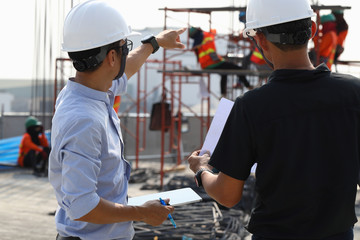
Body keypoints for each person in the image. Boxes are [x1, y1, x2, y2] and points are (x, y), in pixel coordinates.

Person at [187, 0, 360, 239]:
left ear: (259, 39)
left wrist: (201, 170)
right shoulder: (353, 93)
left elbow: (227, 194)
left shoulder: (251, 106)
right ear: (312, 27)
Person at [48, 1, 185, 239]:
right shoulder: (84, 119)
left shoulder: (88, 91)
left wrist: (154, 43)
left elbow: (127, 68)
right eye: (124, 47)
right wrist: (142, 212)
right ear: (112, 57)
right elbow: (83, 206)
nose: (125, 53)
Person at [189, 27, 253, 98]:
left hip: (206, 64)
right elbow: (213, 31)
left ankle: (223, 94)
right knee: (238, 69)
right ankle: (249, 86)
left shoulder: (197, 42)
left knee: (224, 73)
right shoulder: (206, 35)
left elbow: (201, 51)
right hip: (212, 62)